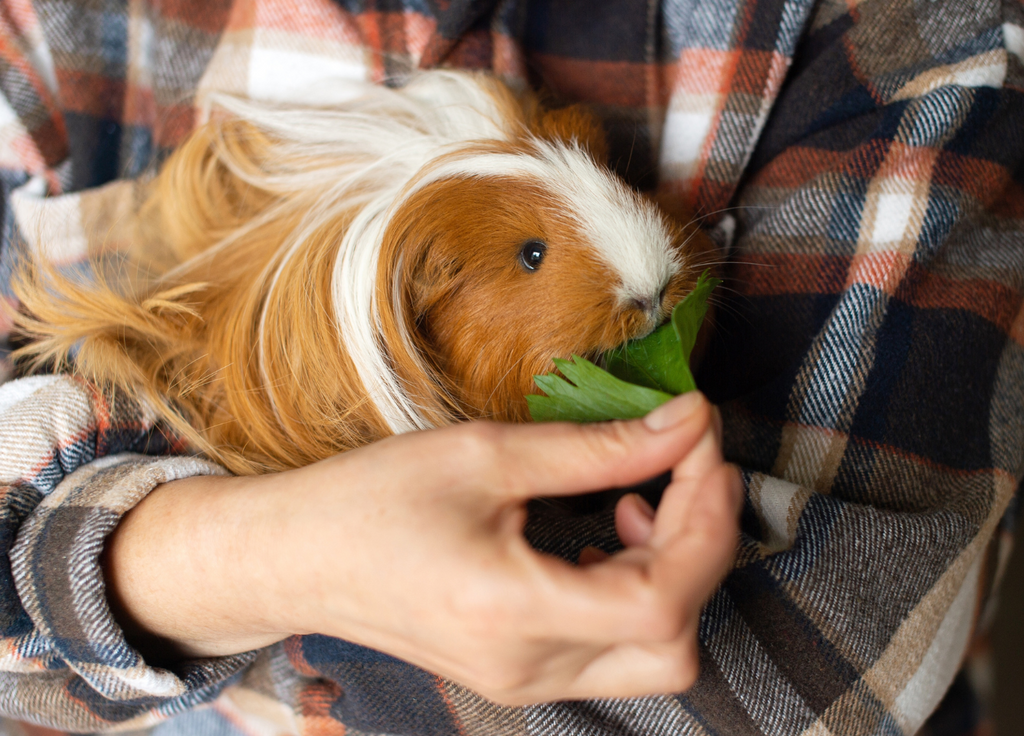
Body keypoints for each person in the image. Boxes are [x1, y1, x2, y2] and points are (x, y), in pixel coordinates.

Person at [0, 0, 1021, 735]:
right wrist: (267, 559)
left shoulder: (908, 31)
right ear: (421, 298)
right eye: (532, 254)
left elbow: (826, 668)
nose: (655, 259)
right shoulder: (51, 28)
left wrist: (180, 581)